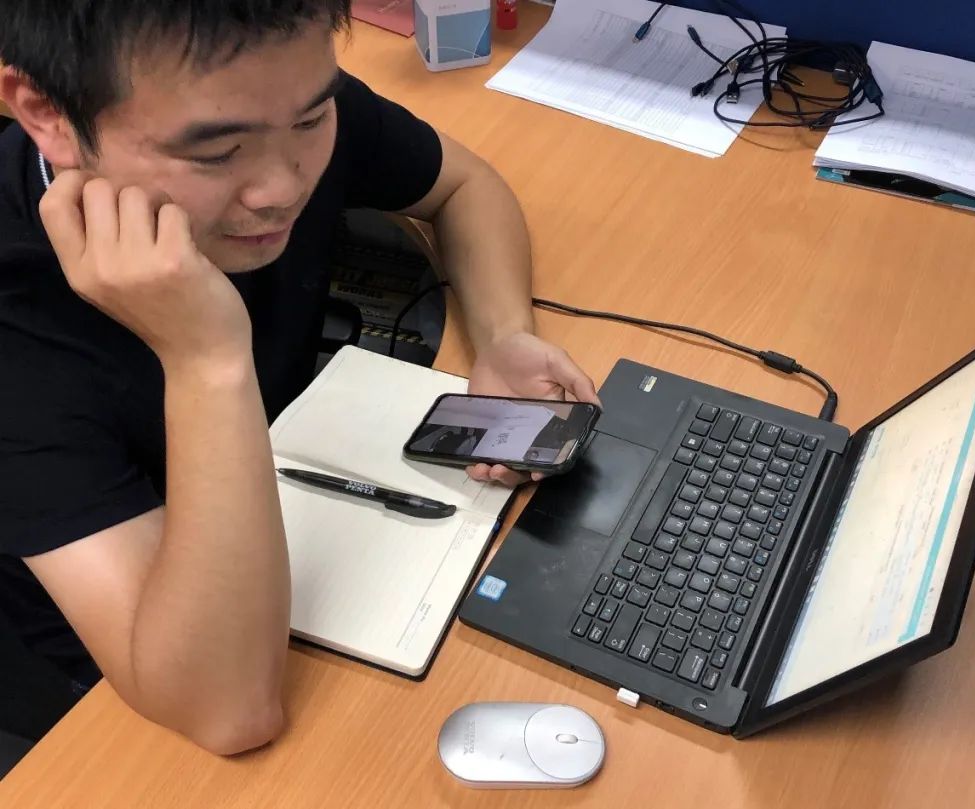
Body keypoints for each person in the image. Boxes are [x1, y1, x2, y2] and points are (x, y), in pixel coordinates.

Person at [0, 0, 599, 756]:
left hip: (291, 506)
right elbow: (228, 710)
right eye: (217, 154)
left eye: (312, 120)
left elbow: (462, 185)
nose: (281, 188)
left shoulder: (271, 99)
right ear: (45, 112)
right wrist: (208, 359)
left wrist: (505, 333)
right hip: (132, 670)